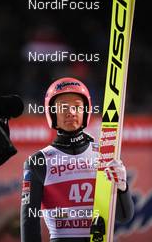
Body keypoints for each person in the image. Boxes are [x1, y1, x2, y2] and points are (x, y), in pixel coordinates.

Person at [20, 77, 134, 242]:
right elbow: (28, 223)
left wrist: (122, 187)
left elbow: (124, 217)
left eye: (77, 107)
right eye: (63, 107)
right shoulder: (38, 161)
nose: (71, 112)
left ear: (86, 111)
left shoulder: (105, 155)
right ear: (51, 112)